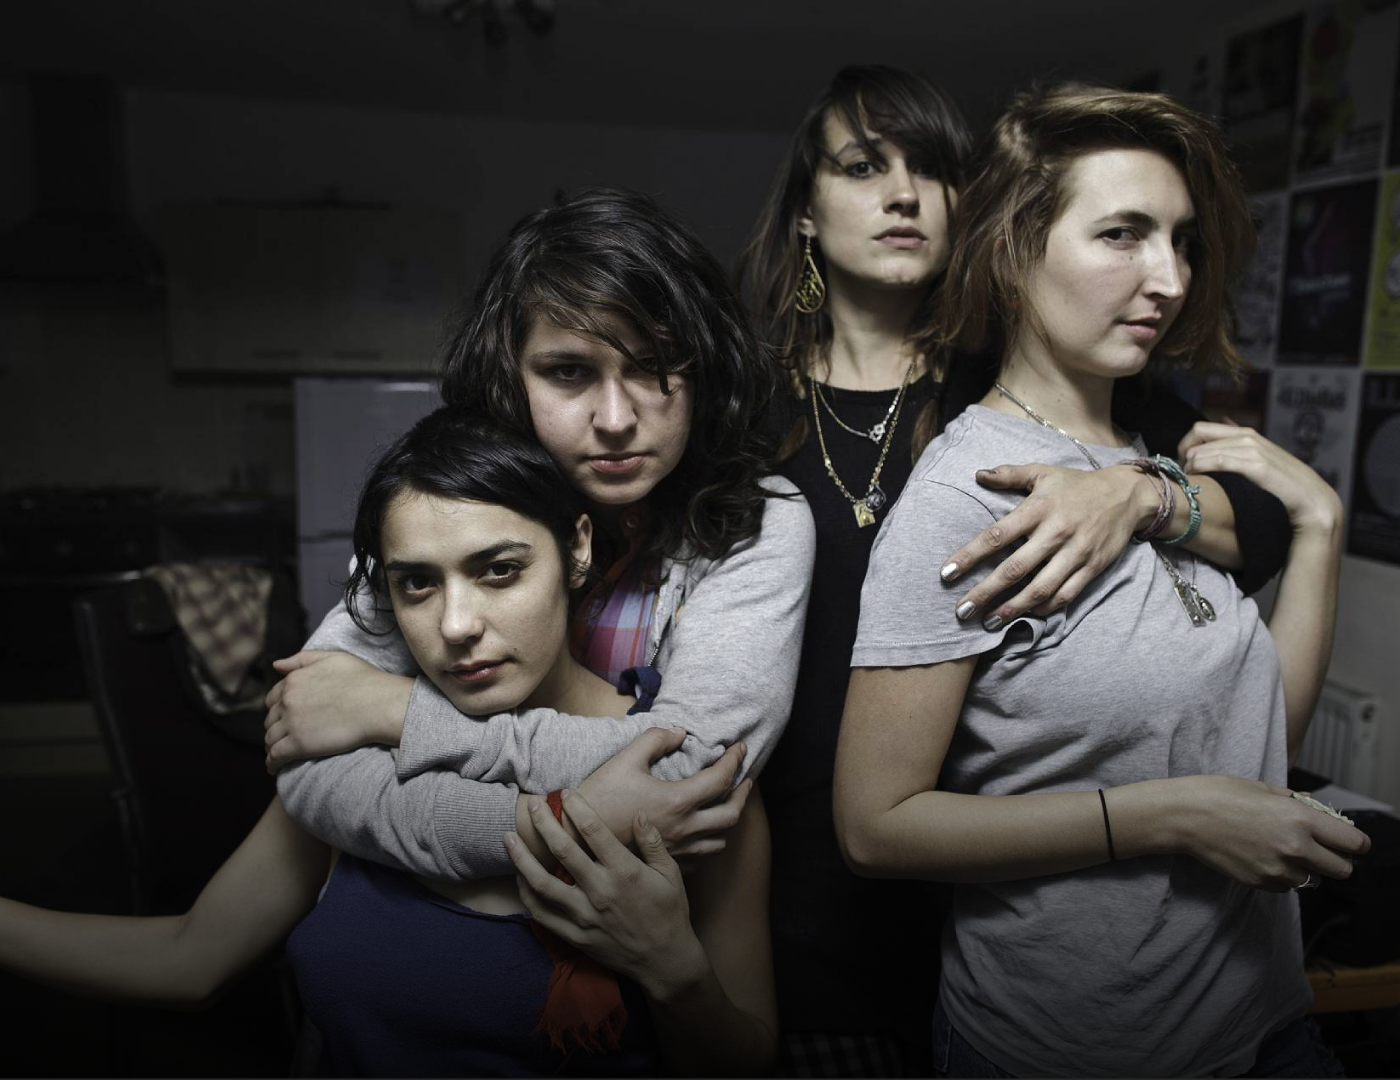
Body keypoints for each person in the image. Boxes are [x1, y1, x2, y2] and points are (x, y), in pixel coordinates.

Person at [733, 65, 1294, 1076]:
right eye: (863, 167)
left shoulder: (1027, 379)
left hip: (1015, 882)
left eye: (933, 170)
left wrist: (1135, 492)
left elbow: (1260, 522)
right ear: (805, 211)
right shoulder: (746, 410)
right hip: (817, 872)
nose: (905, 195)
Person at [0, 410, 776, 1078]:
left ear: (577, 549)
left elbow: (745, 1065)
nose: (456, 626)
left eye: (499, 571)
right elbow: (190, 958)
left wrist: (671, 972)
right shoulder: (357, 762)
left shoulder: (679, 785)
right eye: (417, 583)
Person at [262, 188, 815, 889]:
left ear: (705, 368)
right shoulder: (453, 504)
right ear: (510, 375)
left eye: (653, 365)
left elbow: (690, 772)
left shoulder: (759, 519)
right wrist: (543, 822)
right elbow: (310, 756)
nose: (615, 419)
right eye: (568, 372)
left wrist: (394, 712)